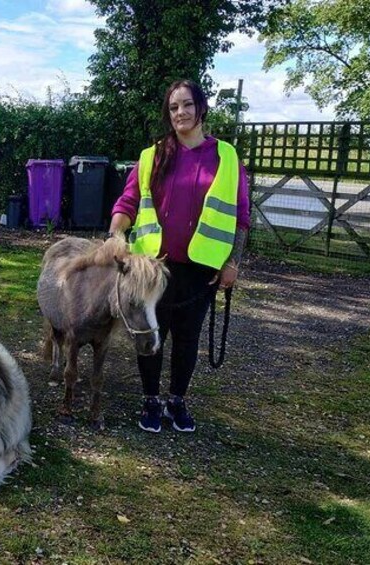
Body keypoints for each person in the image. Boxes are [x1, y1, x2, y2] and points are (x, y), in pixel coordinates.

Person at [108, 79, 250, 433]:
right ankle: (150, 401)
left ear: (201, 108)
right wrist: (116, 233)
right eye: (173, 108)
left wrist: (233, 262)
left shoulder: (226, 157)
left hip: (201, 268)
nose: (180, 113)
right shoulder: (151, 156)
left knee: (188, 338)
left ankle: (177, 401)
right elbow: (127, 202)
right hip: (154, 267)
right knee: (151, 334)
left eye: (187, 105)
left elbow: (241, 215)